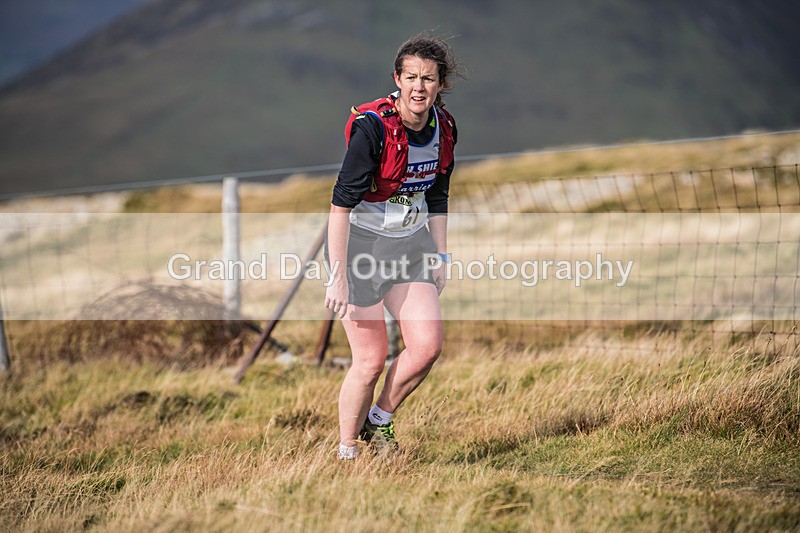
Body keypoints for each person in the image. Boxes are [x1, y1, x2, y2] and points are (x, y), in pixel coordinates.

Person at [324, 35, 462, 460]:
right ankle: (347, 452)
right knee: (369, 362)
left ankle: (378, 422)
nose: (419, 87)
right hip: (362, 255)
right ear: (397, 80)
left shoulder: (446, 128)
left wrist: (440, 256)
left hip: (410, 250)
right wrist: (338, 277)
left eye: (429, 79)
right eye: (411, 78)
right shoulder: (372, 129)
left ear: (441, 85)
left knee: (427, 347)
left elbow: (438, 195)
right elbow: (340, 205)